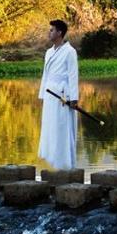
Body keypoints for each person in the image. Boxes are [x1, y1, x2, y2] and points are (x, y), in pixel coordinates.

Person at [38, 19, 79, 169]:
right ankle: (52, 160)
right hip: (49, 93)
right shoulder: (49, 52)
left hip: (62, 94)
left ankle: (64, 162)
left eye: (52, 30)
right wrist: (42, 94)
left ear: (60, 32)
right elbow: (45, 74)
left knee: (61, 126)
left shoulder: (70, 51)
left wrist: (74, 98)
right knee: (50, 126)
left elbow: (73, 75)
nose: (49, 32)